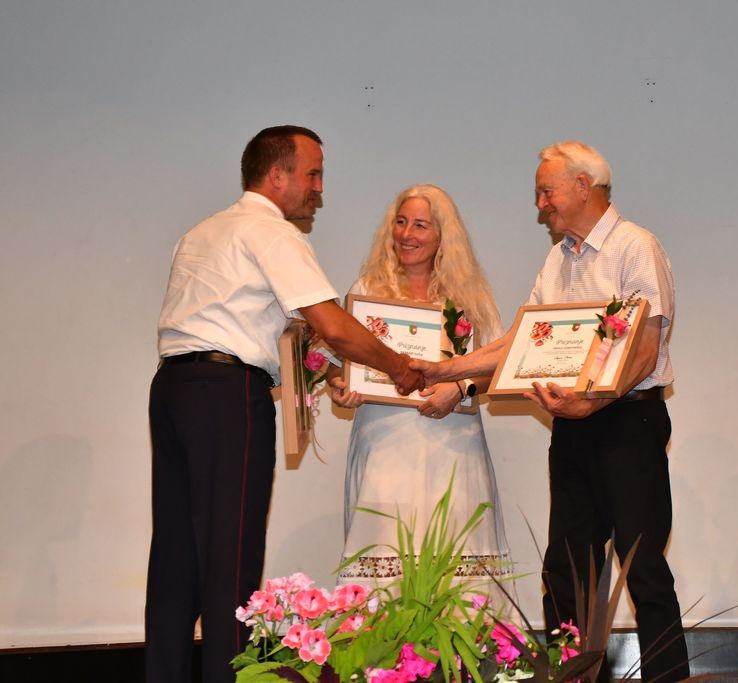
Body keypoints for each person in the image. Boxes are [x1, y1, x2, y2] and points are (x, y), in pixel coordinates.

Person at [147, 125, 423, 683]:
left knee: (176, 558)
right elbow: (331, 325)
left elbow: (285, 328)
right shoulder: (272, 232)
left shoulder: (202, 231)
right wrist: (398, 366)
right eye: (312, 174)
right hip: (227, 397)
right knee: (231, 557)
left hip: (173, 390)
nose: (319, 189)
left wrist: (329, 365)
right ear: (277, 175)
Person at [412, 142, 690, 683]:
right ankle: (571, 678)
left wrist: (593, 401)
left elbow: (645, 349)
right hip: (573, 427)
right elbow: (523, 340)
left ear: (584, 186)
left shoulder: (636, 246)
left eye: (546, 191)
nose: (540, 205)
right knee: (566, 569)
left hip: (628, 423)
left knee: (644, 569)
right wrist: (447, 370)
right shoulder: (559, 257)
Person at [327, 184, 513, 594]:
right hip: (383, 443)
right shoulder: (367, 289)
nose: (407, 234)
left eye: (421, 225)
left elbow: (497, 364)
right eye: (401, 222)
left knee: (456, 555)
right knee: (383, 550)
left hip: (454, 445)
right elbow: (342, 366)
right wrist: (340, 385)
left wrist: (460, 387)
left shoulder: (470, 297)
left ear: (443, 234)